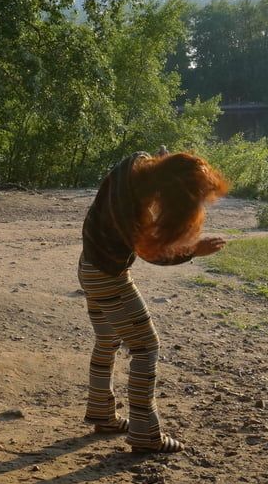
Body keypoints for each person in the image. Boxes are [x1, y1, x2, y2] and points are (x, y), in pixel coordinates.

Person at [79, 149, 229, 453]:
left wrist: (165, 164)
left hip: (88, 268)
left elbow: (156, 161)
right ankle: (145, 434)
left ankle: (102, 413)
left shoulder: (132, 163)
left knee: (107, 342)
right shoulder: (134, 213)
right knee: (146, 347)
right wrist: (193, 251)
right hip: (109, 278)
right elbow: (152, 253)